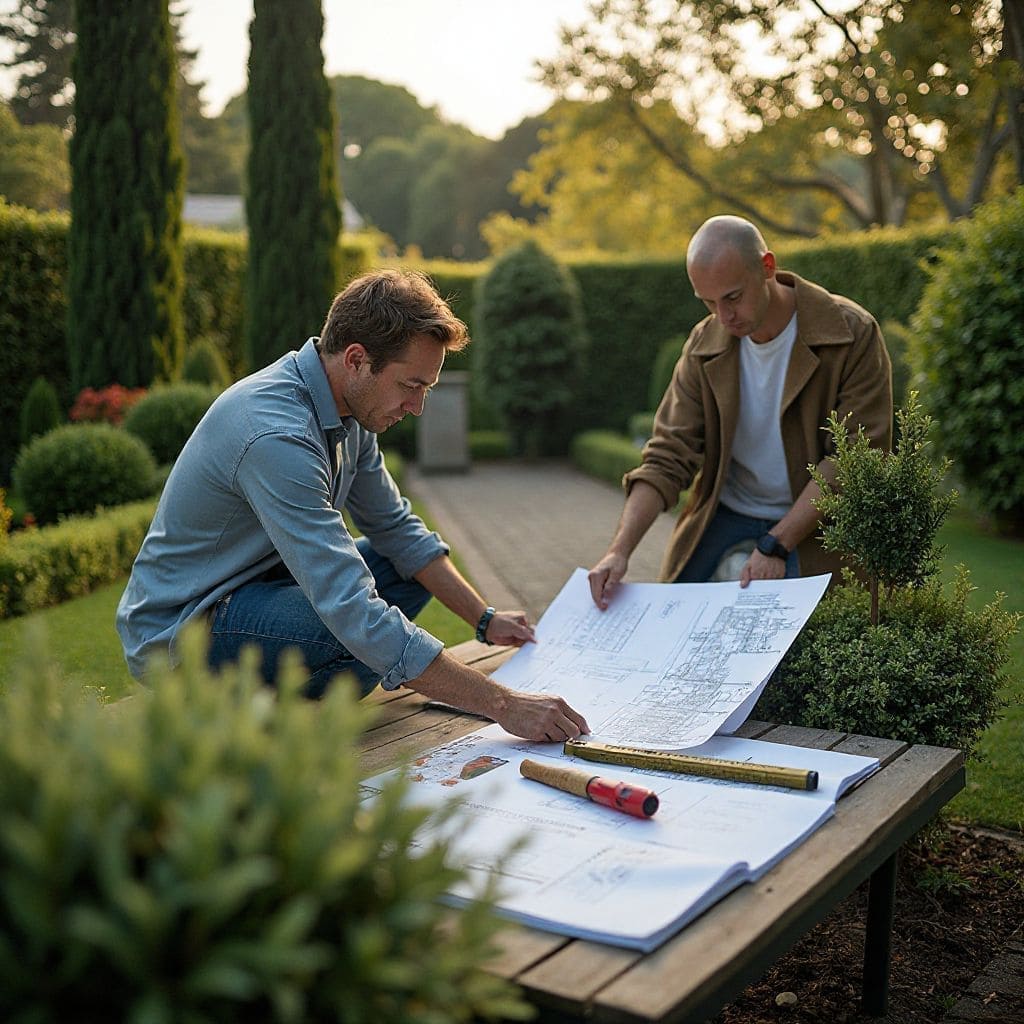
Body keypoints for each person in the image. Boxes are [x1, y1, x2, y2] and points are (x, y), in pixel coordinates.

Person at [117, 269, 588, 743]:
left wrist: (484, 619)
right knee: (355, 626)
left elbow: (398, 530)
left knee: (398, 577)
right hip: (184, 628)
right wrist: (502, 704)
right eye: (411, 385)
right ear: (357, 359)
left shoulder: (351, 410)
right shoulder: (276, 434)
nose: (418, 406)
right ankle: (255, 691)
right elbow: (345, 600)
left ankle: (294, 683)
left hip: (264, 590)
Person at [588, 215, 892, 609]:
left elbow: (856, 459)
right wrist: (619, 551)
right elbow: (666, 456)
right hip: (727, 514)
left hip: (818, 525)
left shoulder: (851, 332)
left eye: (732, 297)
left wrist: (776, 543)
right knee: (674, 627)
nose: (723, 316)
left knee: (809, 650)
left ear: (767, 267)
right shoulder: (704, 343)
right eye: (708, 302)